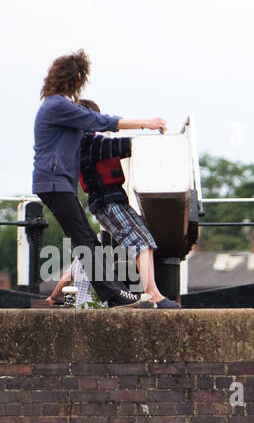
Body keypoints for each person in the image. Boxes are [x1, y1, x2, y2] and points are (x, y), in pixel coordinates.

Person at [32, 49, 166, 306]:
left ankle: (113, 294)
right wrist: (145, 123)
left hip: (57, 183)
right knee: (84, 239)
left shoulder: (56, 106)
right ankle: (115, 295)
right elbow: (98, 120)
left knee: (85, 239)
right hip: (53, 182)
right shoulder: (57, 105)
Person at [76, 101, 178, 307]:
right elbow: (122, 146)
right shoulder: (88, 143)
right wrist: (151, 138)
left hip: (114, 199)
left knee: (145, 240)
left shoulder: (90, 142)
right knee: (139, 241)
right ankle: (153, 295)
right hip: (106, 201)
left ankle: (153, 293)